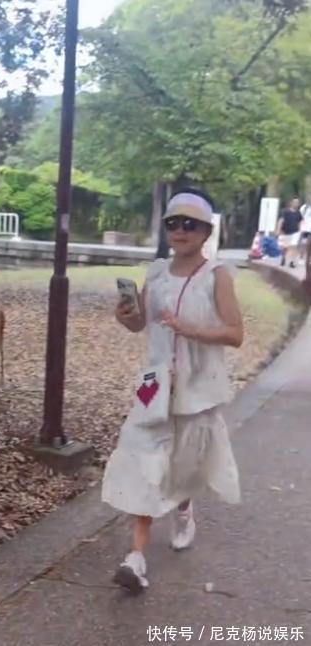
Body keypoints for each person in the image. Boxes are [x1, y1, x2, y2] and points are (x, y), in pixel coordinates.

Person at [102, 188, 243, 593]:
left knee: (181, 467)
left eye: (190, 224)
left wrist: (190, 329)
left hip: (198, 388)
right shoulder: (157, 272)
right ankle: (136, 558)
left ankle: (184, 511)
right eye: (173, 223)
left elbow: (235, 334)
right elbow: (140, 324)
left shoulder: (217, 276)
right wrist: (126, 315)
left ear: (206, 231)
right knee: (143, 461)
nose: (180, 231)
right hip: (154, 385)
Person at [277, 197, 303, 268]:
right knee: (285, 247)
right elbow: (281, 220)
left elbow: (300, 222)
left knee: (294, 246)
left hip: (295, 232)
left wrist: (300, 231)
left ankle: (292, 262)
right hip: (285, 231)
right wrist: (278, 230)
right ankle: (283, 258)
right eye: (295, 202)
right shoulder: (285, 211)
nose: (296, 204)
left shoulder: (298, 213)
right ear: (291, 203)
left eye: (297, 203)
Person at [299, 198, 311, 263]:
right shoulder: (304, 207)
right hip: (305, 228)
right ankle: (301, 257)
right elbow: (300, 217)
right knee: (303, 243)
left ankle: (308, 258)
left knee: (309, 244)